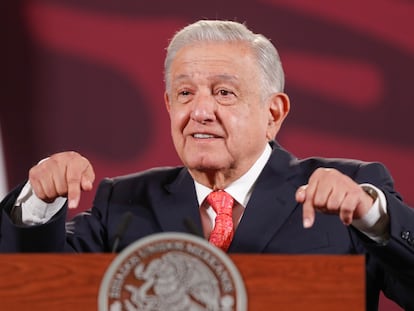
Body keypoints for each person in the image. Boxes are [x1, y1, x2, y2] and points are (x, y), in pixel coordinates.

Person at [0, 20, 413, 310]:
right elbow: (30, 292)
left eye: (224, 93)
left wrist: (373, 215)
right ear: (168, 105)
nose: (200, 111)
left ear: (273, 113)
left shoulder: (351, 191)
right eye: (184, 93)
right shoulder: (123, 201)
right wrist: (38, 202)